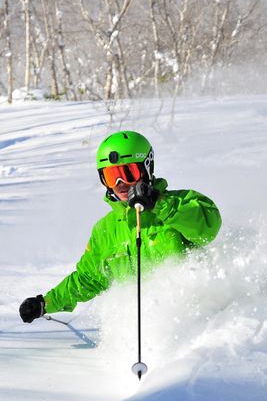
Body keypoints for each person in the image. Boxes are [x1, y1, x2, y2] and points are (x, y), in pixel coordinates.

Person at [19, 130, 221, 323]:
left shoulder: (181, 202)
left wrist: (159, 204)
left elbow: (207, 228)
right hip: (146, 332)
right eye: (110, 176)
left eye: (128, 173)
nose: (120, 182)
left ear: (146, 168)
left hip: (199, 320)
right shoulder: (105, 230)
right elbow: (88, 279)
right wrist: (45, 303)